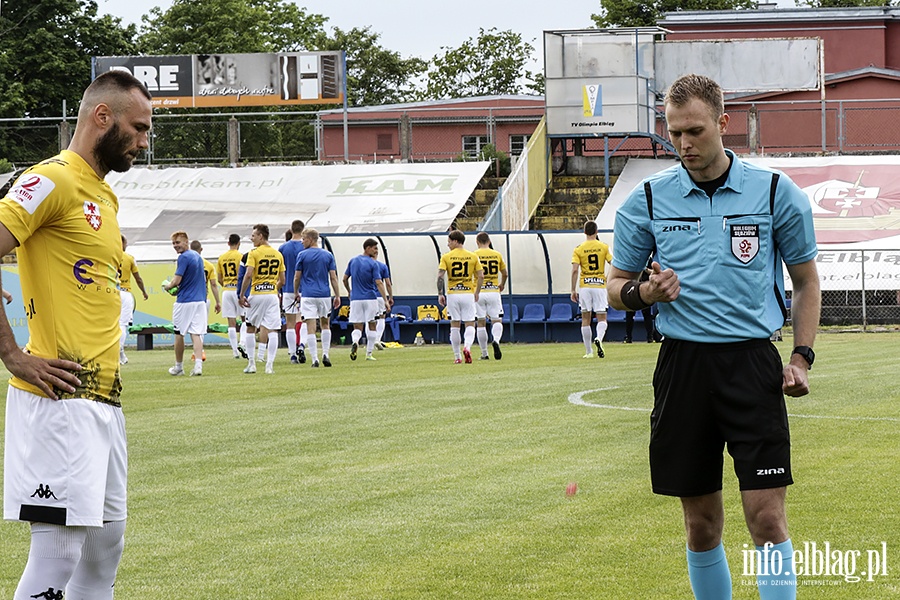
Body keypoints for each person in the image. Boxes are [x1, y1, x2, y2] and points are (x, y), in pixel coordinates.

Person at [606, 74, 820, 600]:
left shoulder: (772, 190)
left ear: (724, 123)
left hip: (751, 365)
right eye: (674, 133)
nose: (683, 144)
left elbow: (806, 280)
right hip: (683, 368)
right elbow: (615, 287)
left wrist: (801, 357)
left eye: (695, 131)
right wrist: (646, 295)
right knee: (700, 524)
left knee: (766, 518)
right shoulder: (649, 200)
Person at [0, 70, 151, 599]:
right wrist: (12, 354)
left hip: (104, 401)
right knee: (57, 557)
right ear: (101, 117)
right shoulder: (53, 179)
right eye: (138, 127)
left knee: (104, 553)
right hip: (59, 396)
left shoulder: (104, 199)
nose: (143, 140)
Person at [239, 224, 285, 374]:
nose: (252, 238)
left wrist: (241, 294)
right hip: (272, 295)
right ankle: (269, 365)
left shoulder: (254, 253)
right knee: (273, 330)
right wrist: (273, 289)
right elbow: (282, 280)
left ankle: (252, 364)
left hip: (257, 294)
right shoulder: (278, 254)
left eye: (253, 235)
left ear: (261, 236)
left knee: (251, 328)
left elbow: (248, 274)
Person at [293, 228, 341, 367]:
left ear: (311, 239)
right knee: (325, 325)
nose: (302, 242)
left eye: (304, 239)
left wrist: (296, 292)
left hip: (308, 295)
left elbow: (297, 277)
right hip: (324, 295)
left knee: (310, 327)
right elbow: (333, 277)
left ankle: (315, 359)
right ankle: (326, 353)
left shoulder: (302, 255)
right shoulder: (328, 255)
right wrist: (337, 295)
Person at [163, 231, 207, 376]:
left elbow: (176, 280)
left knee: (179, 333)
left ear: (186, 241)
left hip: (185, 301)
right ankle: (198, 366)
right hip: (200, 300)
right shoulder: (198, 257)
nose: (176, 246)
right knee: (196, 333)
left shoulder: (183, 257)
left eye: (178, 242)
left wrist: (168, 287)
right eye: (173, 244)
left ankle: (178, 366)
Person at [437, 230, 484, 364]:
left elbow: (440, 276)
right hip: (468, 293)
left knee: (454, 324)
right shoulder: (472, 256)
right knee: (470, 323)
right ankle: (467, 347)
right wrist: (477, 292)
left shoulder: (446, 257)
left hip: (452, 294)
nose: (448, 244)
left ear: (456, 241)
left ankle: (457, 357)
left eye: (449, 242)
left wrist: (440, 293)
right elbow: (481, 276)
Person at [342, 238, 389, 361]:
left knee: (357, 326)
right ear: (367, 248)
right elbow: (379, 282)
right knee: (372, 324)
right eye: (374, 248)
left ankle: (355, 341)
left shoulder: (353, 261)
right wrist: (385, 299)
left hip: (355, 299)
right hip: (370, 298)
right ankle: (369, 354)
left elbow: (344, 279)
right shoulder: (373, 263)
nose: (376, 251)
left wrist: (349, 291)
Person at [571, 220, 612, 359]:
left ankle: (589, 352)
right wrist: (607, 277)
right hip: (600, 285)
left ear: (584, 232)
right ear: (596, 231)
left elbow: (575, 270)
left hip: (585, 286)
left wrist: (572, 289)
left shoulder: (579, 248)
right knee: (602, 317)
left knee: (585, 318)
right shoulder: (604, 247)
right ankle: (599, 339)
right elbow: (614, 263)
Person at [474, 232, 507, 360]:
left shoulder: (474, 255)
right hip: (493, 290)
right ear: (489, 241)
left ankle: (484, 353)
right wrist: (502, 284)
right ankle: (496, 340)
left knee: (480, 322)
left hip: (478, 291)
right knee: (497, 320)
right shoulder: (497, 255)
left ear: (477, 242)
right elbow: (505, 273)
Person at [278, 219, 306, 364]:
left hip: (288, 288)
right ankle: (301, 344)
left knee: (289, 322)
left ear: (291, 229)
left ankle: (292, 354)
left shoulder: (283, 248)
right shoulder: (306, 247)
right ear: (303, 230)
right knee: (303, 319)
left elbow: (279, 271)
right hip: (305, 289)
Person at [118, 234, 149, 365]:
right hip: (125, 293)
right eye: (126, 243)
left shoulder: (108, 256)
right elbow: (138, 278)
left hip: (110, 292)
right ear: (122, 243)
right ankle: (119, 351)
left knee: (111, 325)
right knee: (122, 324)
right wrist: (144, 292)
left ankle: (117, 353)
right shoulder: (129, 258)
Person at [189, 240, 221, 362]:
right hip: (204, 298)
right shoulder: (208, 265)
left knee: (193, 328)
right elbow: (213, 284)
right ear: (201, 250)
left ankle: (198, 352)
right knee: (200, 327)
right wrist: (218, 301)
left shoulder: (188, 263)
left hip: (190, 299)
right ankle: (199, 352)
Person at [217, 233, 247, 359]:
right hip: (238, 290)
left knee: (231, 322)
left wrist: (227, 284)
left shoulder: (221, 257)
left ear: (228, 243)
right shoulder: (241, 256)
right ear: (239, 243)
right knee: (245, 318)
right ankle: (243, 343)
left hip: (226, 290)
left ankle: (234, 351)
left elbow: (219, 278)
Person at [623, 255, 655, 344]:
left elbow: (653, 272)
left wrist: (645, 269)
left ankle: (650, 337)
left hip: (644, 288)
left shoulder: (648, 259)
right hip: (632, 287)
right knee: (629, 314)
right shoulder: (631, 258)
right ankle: (628, 337)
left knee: (647, 314)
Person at [372, 247, 393, 350]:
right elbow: (388, 284)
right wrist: (390, 297)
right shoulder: (382, 266)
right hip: (380, 296)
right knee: (381, 317)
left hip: (368, 297)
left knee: (370, 319)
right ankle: (377, 339)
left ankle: (370, 341)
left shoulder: (363, 265)